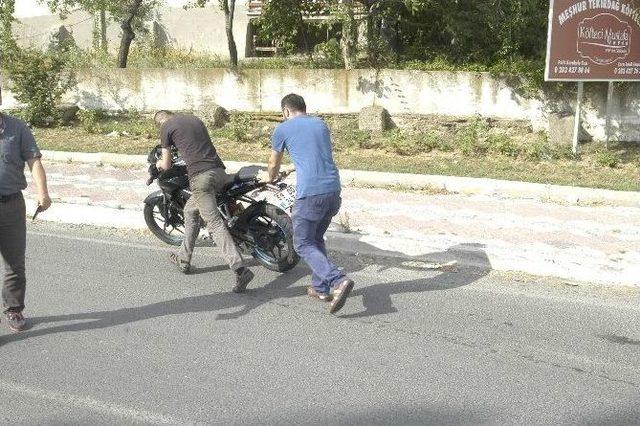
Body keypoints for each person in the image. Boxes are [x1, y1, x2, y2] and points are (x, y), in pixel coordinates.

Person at [258, 94, 354, 314]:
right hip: (332, 190)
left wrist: (269, 177)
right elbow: (314, 154)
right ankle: (321, 288)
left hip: (311, 194)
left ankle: (337, 280)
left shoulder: (283, 128)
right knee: (315, 238)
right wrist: (294, 168)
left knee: (301, 243)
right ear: (304, 108)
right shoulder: (320, 124)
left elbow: (273, 163)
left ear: (285, 111)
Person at [154, 110, 254, 293]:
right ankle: (184, 259)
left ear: (160, 122)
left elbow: (167, 164)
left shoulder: (166, 127)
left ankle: (240, 269)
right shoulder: (194, 119)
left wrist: (159, 164)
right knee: (190, 210)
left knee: (214, 224)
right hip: (219, 172)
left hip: (201, 179)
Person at [0, 109, 51, 332]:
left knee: (15, 263)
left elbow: (34, 161)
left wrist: (43, 192)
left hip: (11, 204)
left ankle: (14, 309)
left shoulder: (17, 128)